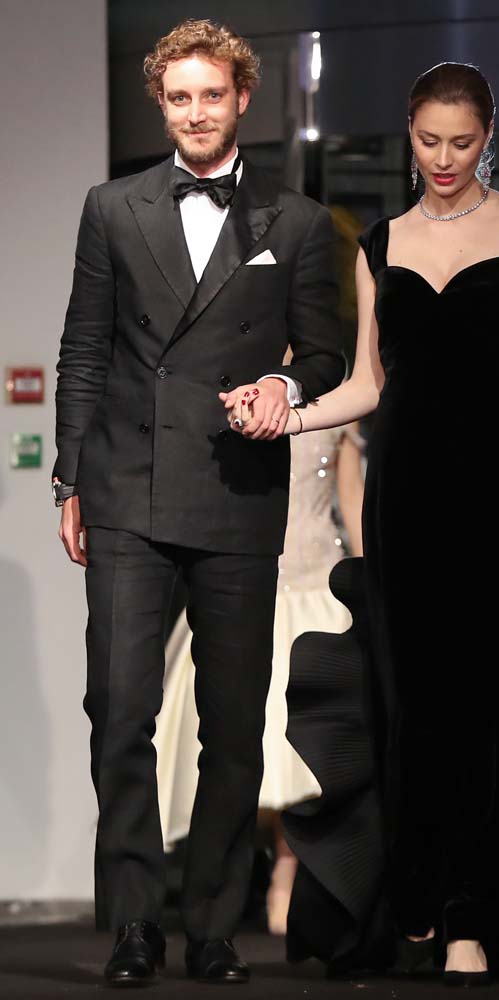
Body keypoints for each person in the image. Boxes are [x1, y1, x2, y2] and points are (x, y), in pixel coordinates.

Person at [225, 61, 499, 985]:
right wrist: (285, 412)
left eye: (462, 142)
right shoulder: (380, 243)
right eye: (427, 141)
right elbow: (369, 385)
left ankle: (473, 915)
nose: (444, 159)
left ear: (487, 137)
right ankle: (422, 888)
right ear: (408, 132)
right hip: (410, 506)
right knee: (418, 712)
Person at [52, 18, 344, 988]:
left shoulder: (293, 223)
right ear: (160, 103)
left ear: (241, 98)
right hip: (127, 487)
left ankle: (214, 922)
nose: (193, 112)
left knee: (230, 720)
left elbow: (328, 352)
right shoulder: (111, 206)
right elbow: (85, 350)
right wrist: (69, 478)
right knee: (120, 706)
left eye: (209, 95)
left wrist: (287, 391)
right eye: (177, 97)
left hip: (234, 487)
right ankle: (136, 919)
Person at [153, 420, 364, 936]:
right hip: (249, 578)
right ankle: (264, 870)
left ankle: (289, 872)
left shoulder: (338, 400)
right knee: (249, 729)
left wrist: (367, 574)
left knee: (311, 744)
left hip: (319, 579)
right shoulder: (238, 386)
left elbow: (351, 492)